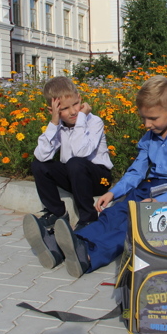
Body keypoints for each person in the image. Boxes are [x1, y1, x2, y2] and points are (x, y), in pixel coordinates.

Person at [23, 75, 167, 277]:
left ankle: (89, 257)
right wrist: (113, 192)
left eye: (152, 118)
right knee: (112, 214)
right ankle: (65, 246)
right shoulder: (151, 136)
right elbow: (136, 171)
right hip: (147, 188)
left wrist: (158, 201)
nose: (146, 124)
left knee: (131, 225)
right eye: (143, 118)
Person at [24, 76, 113, 240]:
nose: (73, 111)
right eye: (65, 108)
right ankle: (56, 213)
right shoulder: (59, 126)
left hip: (99, 179)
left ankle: (88, 219)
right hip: (75, 177)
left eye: (75, 104)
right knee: (39, 165)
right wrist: (54, 124)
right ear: (54, 110)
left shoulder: (94, 122)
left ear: (80, 99)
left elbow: (81, 152)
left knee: (75, 163)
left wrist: (81, 120)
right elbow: (42, 155)